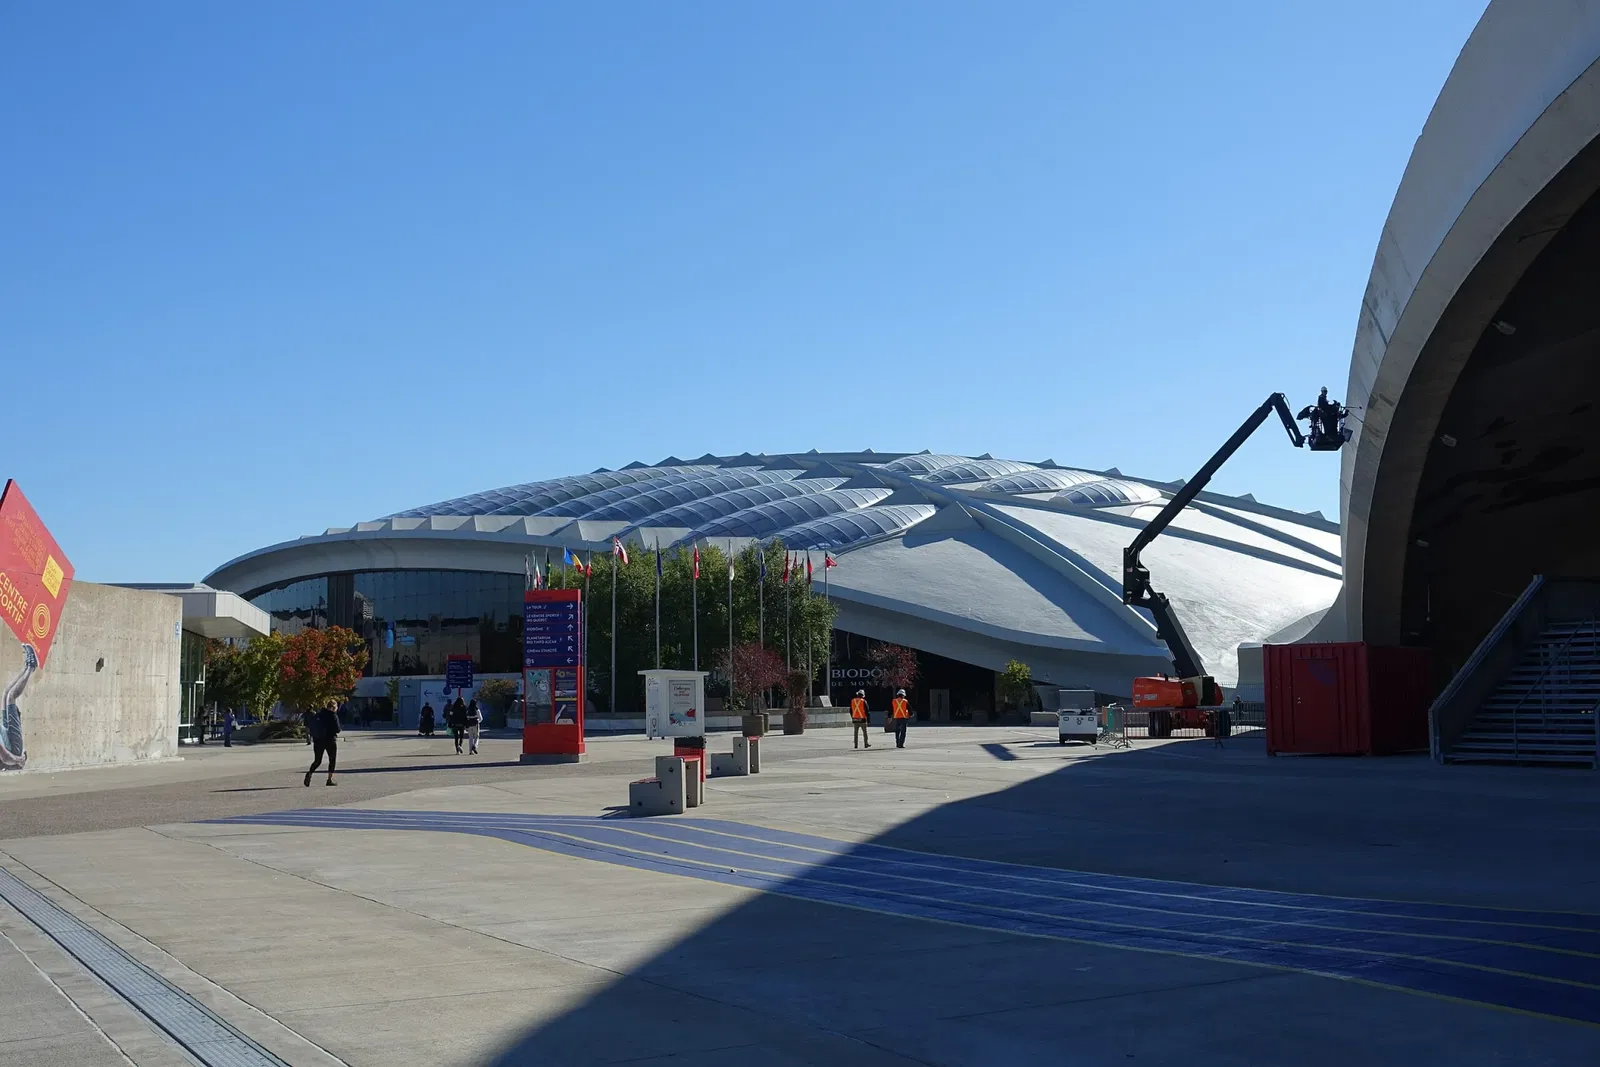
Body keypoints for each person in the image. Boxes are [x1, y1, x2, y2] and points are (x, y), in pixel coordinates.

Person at [304, 701, 341, 787]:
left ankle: (310, 773)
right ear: (332, 708)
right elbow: (337, 729)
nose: (336, 709)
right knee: (332, 760)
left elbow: (311, 726)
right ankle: (329, 779)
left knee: (317, 760)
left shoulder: (318, 715)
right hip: (330, 740)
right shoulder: (333, 715)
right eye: (336, 707)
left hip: (318, 741)